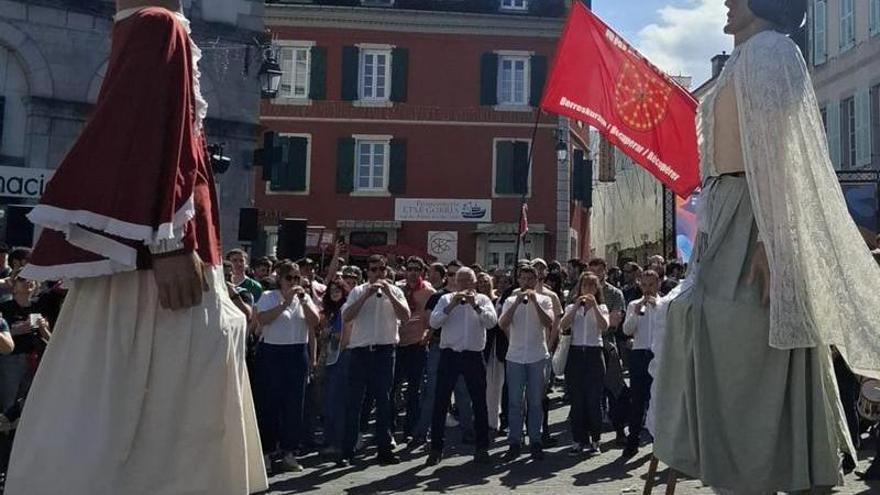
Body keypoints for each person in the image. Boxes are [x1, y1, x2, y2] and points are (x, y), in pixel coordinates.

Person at [5, 2, 267, 494]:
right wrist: (168, 244)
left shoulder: (145, 25)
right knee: (165, 409)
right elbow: (148, 136)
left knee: (118, 392)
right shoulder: (157, 24)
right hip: (161, 258)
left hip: (154, 253)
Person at [653, 0, 880, 492]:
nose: (728, 2)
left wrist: (771, 240)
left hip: (754, 211)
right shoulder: (743, 57)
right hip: (727, 212)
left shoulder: (772, 52)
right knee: (707, 324)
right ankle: (735, 463)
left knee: (740, 332)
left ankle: (763, 466)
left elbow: (780, 150)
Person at [340, 254, 410, 466]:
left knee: (384, 401)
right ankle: (348, 450)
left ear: (387, 271)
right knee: (354, 402)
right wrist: (365, 296)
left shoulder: (396, 291)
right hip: (360, 353)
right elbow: (347, 316)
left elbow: (405, 317)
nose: (378, 273)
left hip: (385, 352)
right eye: (373, 270)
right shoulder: (358, 291)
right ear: (367, 272)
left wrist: (388, 292)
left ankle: (384, 449)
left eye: (381, 269)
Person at [425, 268, 497, 465]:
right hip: (450, 355)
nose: (464, 285)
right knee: (440, 401)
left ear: (474, 283)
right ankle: (436, 448)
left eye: (468, 281)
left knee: (479, 402)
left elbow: (491, 323)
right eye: (461, 281)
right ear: (455, 283)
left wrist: (476, 306)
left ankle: (482, 447)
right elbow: (434, 321)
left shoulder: (483, 300)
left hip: (473, 356)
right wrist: (452, 307)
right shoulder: (446, 299)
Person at [253, 261, 319, 473]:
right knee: (270, 404)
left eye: (296, 278)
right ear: (279, 279)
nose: (293, 282)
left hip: (296, 353)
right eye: (289, 278)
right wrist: (285, 303)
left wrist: (303, 301)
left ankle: (289, 451)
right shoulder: (268, 297)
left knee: (294, 405)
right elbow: (262, 319)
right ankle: (267, 451)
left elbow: (315, 322)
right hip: (272, 353)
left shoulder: (304, 298)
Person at [498, 264, 554, 461]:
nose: (527, 282)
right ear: (519, 280)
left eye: (531, 279)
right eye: (524, 279)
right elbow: (502, 323)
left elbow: (549, 323)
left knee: (535, 401)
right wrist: (515, 303)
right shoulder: (510, 300)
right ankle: (514, 440)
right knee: (514, 401)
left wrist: (534, 303)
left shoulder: (545, 300)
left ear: (537, 280)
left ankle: (536, 440)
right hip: (515, 356)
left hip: (537, 355)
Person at [560, 273, 608, 456]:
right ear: (579, 288)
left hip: (594, 353)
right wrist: (575, 308)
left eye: (592, 286)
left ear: (597, 290)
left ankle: (595, 440)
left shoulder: (601, 306)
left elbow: (604, 326)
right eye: (585, 286)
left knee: (593, 400)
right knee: (577, 400)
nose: (588, 290)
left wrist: (594, 307)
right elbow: (563, 326)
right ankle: (578, 440)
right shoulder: (572, 306)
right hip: (576, 353)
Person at [621, 270, 664, 459]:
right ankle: (633, 441)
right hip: (639, 354)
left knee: (657, 398)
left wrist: (659, 308)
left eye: (651, 285)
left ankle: (659, 442)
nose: (647, 289)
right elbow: (626, 330)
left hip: (658, 354)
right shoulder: (633, 305)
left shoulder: (665, 304)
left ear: (658, 284)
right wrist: (636, 314)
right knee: (637, 400)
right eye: (644, 285)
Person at [393, 257, 434, 441]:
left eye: (417, 269)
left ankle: (410, 428)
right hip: (397, 343)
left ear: (422, 272)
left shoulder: (428, 291)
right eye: (409, 269)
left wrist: (427, 335)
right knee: (392, 388)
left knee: (414, 389)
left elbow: (430, 319)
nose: (412, 272)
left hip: (416, 344)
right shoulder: (397, 288)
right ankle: (389, 428)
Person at [320, 279, 351, 458]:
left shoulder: (342, 309)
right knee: (330, 401)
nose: (335, 292)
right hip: (332, 359)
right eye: (332, 290)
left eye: (338, 289)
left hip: (340, 358)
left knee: (335, 402)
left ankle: (336, 442)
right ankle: (331, 440)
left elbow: (341, 335)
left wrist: (327, 333)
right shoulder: (332, 311)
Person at [478, 272, 507, 435]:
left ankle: (494, 420)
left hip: (497, 348)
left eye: (486, 281)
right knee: (484, 386)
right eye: (480, 282)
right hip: (483, 346)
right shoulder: (475, 301)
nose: (483, 284)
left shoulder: (497, 300)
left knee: (497, 385)